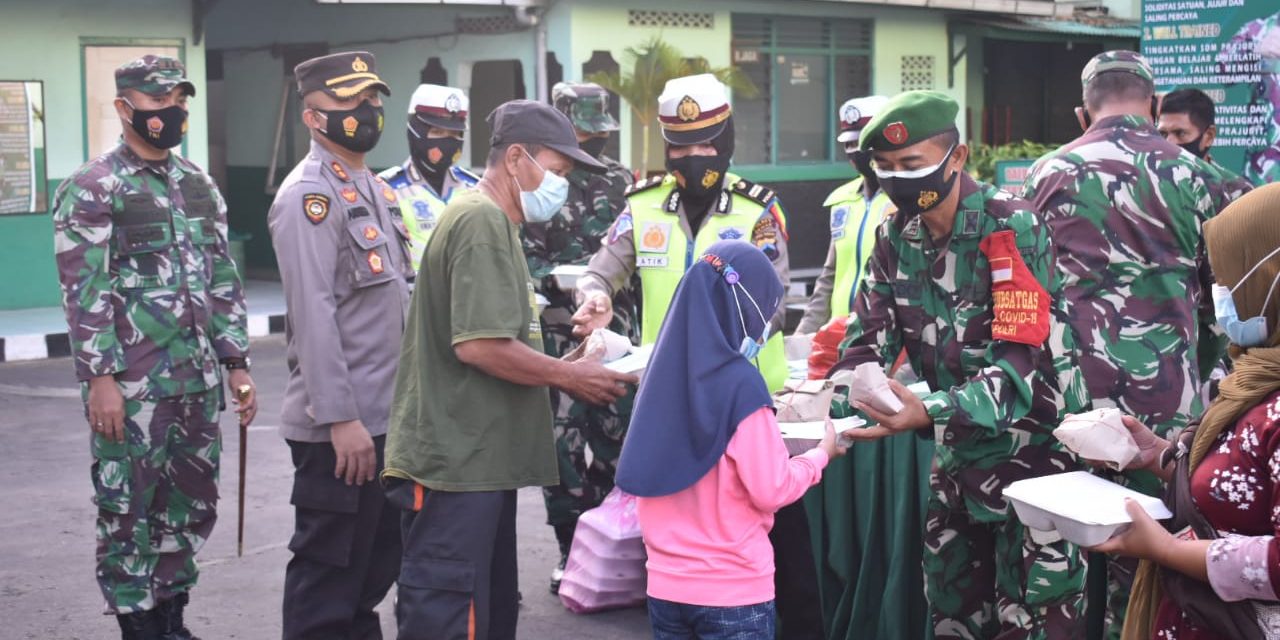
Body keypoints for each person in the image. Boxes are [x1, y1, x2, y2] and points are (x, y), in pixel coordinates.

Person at [572, 73, 826, 639]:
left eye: (706, 144)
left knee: (785, 546)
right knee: (681, 549)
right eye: (681, 146)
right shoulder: (641, 207)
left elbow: (776, 303)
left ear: (727, 139)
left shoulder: (758, 210)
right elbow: (600, 270)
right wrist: (594, 297)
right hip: (669, 407)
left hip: (748, 406)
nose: (693, 158)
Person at [835, 90, 1089, 639]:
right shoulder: (893, 236)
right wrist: (840, 393)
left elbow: (1018, 365)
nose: (898, 179)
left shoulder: (1010, 227)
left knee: (1032, 622)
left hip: (1033, 462)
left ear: (958, 157)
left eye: (912, 165)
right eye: (885, 168)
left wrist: (926, 410)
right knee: (953, 617)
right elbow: (863, 344)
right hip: (955, 464)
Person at [382, 99, 638, 640]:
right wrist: (569, 377)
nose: (562, 185)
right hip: (456, 463)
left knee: (487, 608)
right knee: (449, 615)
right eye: (559, 170)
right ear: (517, 158)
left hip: (477, 461)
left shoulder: (493, 220)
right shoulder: (480, 220)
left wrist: (569, 362)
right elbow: (478, 347)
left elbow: (495, 339)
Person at [1021, 51, 1232, 637]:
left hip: (1066, 407)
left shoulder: (1044, 176)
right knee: (1151, 564)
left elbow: (1023, 297)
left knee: (1056, 563)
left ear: (1081, 111)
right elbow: (1232, 300)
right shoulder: (1200, 177)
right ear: (1155, 104)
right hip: (1166, 415)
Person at [51, 54, 256, 640]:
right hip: (133, 389)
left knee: (190, 507)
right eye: (157, 101)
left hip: (197, 381)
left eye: (178, 101)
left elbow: (220, 278)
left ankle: (172, 618)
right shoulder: (92, 188)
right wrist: (101, 380)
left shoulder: (198, 184)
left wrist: (236, 363)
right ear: (124, 108)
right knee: (128, 511)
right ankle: (138, 627)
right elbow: (83, 292)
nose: (170, 112)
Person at [616, 239, 850, 640]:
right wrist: (818, 457)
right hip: (732, 592)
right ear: (745, 309)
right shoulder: (742, 386)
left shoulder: (657, 381)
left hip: (664, 587)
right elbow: (771, 488)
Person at [1092, 183, 1280, 640]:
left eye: (1229, 276)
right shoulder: (1256, 377)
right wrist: (1158, 456)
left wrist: (1166, 551)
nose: (1220, 293)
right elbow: (1239, 490)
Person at [268, 51, 409, 640]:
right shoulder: (309, 196)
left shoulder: (373, 188)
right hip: (341, 429)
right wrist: (340, 418)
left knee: (370, 575)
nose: (367, 112)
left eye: (372, 100)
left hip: (387, 417)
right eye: (351, 102)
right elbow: (314, 314)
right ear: (313, 117)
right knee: (328, 579)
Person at [523, 81, 638, 594]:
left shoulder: (623, 181)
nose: (593, 145)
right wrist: (561, 279)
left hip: (616, 339)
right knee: (562, 451)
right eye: (583, 134)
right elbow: (523, 259)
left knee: (619, 444)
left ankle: (612, 548)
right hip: (557, 339)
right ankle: (570, 550)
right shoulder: (540, 181)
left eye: (599, 134)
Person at [795, 94, 892, 335]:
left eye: (861, 143)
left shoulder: (903, 200)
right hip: (839, 334)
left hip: (884, 335)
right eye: (848, 145)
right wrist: (804, 334)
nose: (854, 152)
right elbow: (829, 276)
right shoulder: (842, 200)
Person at [379, 83, 479, 273]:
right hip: (413, 298)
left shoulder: (474, 187)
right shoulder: (387, 189)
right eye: (437, 132)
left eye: (455, 134)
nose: (447, 142)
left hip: (467, 297)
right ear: (415, 132)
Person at [1157, 87, 1254, 203]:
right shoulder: (1147, 183)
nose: (1169, 142)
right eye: (1162, 134)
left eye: (1180, 133)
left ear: (1209, 136)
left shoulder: (1237, 193)